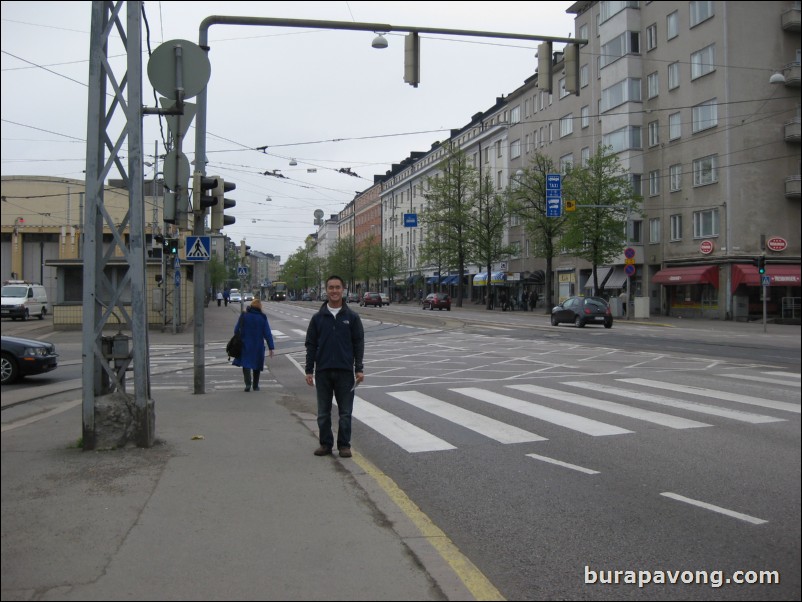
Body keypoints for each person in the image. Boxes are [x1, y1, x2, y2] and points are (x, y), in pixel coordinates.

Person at [305, 275, 365, 458]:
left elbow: (358, 343)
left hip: (345, 372)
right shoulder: (318, 318)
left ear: (343, 290)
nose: (334, 291)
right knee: (323, 413)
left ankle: (344, 445)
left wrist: (359, 368)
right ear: (326, 290)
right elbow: (311, 344)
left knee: (345, 413)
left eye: (337, 287)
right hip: (323, 371)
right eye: (331, 287)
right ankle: (325, 444)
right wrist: (309, 370)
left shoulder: (352, 317)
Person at [232, 298, 275, 392]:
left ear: (251, 305)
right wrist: (271, 347)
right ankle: (255, 385)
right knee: (257, 364)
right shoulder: (262, 317)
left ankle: (247, 384)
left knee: (246, 364)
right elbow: (267, 333)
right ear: (260, 307)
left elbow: (236, 330)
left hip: (245, 344)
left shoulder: (244, 315)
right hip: (258, 345)